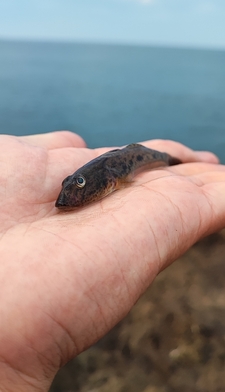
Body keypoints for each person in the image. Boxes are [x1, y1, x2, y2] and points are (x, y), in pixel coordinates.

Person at [0, 130, 224, 392]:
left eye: (80, 182)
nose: (72, 190)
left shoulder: (120, 167)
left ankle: (171, 160)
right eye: (73, 182)